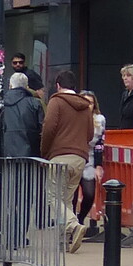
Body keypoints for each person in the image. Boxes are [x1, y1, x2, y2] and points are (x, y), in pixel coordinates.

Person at [40, 73, 97, 252]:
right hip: (79, 158)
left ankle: (73, 225)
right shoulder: (86, 107)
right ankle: (64, 241)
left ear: (58, 85)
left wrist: (45, 152)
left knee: (53, 198)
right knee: (66, 200)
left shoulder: (56, 101)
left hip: (59, 155)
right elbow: (90, 133)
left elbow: (48, 128)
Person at [0, 70, 44, 158]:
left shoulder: (2, 105)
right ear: (27, 87)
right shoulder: (35, 103)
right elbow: (43, 129)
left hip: (7, 155)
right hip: (31, 156)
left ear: (10, 86)